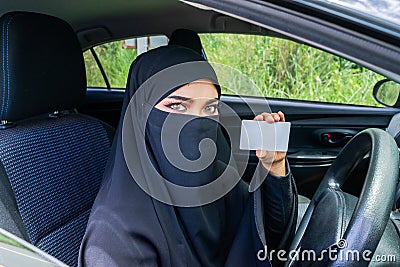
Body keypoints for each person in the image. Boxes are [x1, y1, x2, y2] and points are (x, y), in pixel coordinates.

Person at [78, 44, 297, 267]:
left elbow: (266, 233)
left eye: (210, 108)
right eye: (178, 106)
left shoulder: (218, 177)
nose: (196, 123)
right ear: (141, 113)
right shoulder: (115, 237)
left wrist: (274, 163)